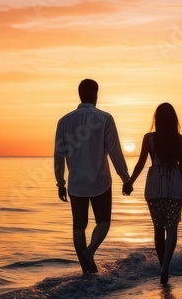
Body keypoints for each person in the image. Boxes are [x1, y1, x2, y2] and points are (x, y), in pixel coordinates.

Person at [54, 79, 131, 275]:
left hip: (76, 183)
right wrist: (125, 178)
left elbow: (58, 155)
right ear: (96, 94)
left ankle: (85, 270)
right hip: (101, 181)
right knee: (103, 222)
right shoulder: (105, 118)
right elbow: (115, 152)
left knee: (79, 226)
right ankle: (90, 253)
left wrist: (60, 182)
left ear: (79, 94)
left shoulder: (64, 121)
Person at [123, 103, 182, 285]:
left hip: (155, 185)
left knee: (158, 229)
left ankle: (162, 266)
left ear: (157, 119)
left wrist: (130, 182)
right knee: (172, 228)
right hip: (175, 184)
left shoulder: (149, 138)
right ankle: (165, 267)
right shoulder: (180, 139)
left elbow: (141, 163)